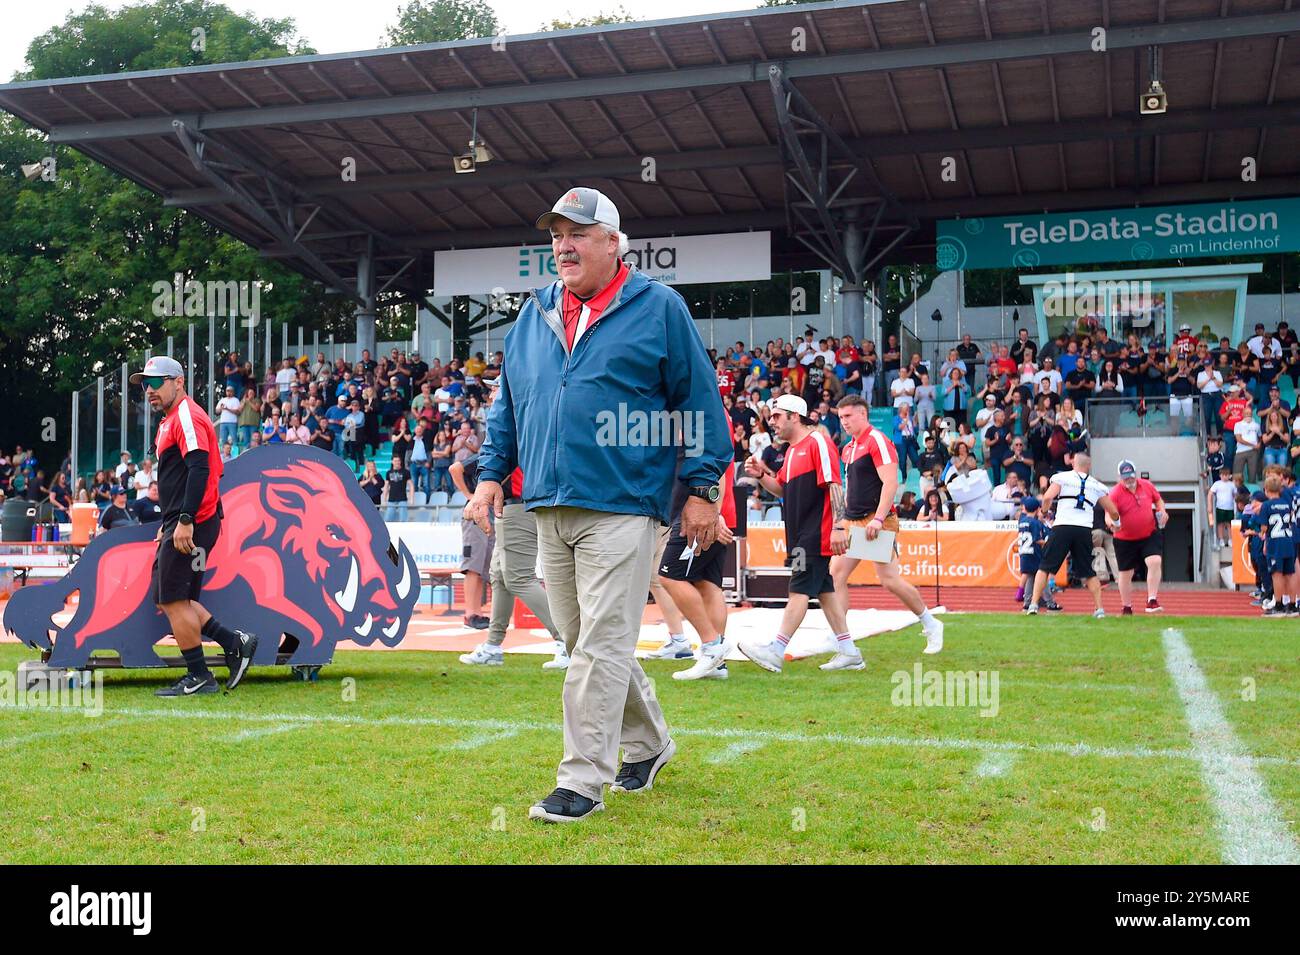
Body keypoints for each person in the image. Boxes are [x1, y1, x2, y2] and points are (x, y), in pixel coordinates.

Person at [469, 186, 731, 824]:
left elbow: (697, 398)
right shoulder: (533, 314)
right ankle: (650, 744)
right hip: (548, 503)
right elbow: (510, 403)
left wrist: (702, 487)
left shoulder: (659, 307)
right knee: (584, 637)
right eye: (557, 234)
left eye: (578, 233)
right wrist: (489, 473)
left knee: (599, 645)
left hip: (623, 502)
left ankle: (582, 780)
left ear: (615, 243)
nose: (563, 245)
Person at [129, 355, 257, 696]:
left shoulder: (186, 414)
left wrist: (184, 521)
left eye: (156, 383)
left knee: (173, 601)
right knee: (171, 599)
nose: (149, 390)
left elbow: (200, 469)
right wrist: (171, 520)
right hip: (186, 521)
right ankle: (235, 642)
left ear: (179, 381)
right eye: (145, 384)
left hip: (193, 522)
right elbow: (186, 474)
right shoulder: (174, 418)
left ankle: (200, 676)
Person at [740, 394, 857, 671]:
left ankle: (776, 649)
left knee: (799, 589)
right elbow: (781, 489)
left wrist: (840, 526)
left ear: (794, 415)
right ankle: (850, 651)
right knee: (824, 589)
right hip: (801, 533)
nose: (772, 422)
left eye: (777, 416)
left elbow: (834, 484)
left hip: (814, 533)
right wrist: (760, 475)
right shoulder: (792, 451)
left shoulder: (817, 441)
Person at [828, 395, 944, 657]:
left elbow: (891, 483)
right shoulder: (849, 448)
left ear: (863, 414)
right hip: (855, 519)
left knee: (889, 580)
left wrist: (879, 519)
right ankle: (842, 640)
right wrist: (843, 519)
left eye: (848, 416)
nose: (843, 422)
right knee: (835, 575)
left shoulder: (876, 440)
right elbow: (850, 489)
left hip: (875, 520)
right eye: (840, 417)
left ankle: (931, 623)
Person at [658, 449, 740, 682]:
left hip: (699, 515)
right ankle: (716, 661)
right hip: (707, 511)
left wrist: (715, 510)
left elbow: (716, 462)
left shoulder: (700, 416)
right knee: (707, 584)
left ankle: (712, 646)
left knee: (668, 577)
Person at [1026, 452, 1121, 618]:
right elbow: (1113, 511)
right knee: (1088, 571)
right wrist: (1117, 524)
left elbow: (1047, 496)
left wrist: (1044, 511)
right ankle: (1099, 609)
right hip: (1084, 529)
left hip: (1062, 526)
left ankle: (1033, 605)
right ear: (1089, 466)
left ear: (1073, 463)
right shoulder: (1096, 485)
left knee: (1045, 566)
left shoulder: (1062, 477)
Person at [1109, 460, 1168, 615]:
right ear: (1120, 477)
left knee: (1154, 561)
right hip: (1124, 538)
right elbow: (1109, 514)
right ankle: (1126, 606)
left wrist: (1163, 511)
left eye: (1131, 476)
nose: (1129, 479)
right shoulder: (1115, 492)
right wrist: (1112, 525)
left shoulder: (1147, 485)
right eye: (1125, 477)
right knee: (1126, 573)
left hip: (1148, 533)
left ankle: (1152, 600)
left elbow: (1158, 500)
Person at [449, 454, 494, 631]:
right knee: (473, 565)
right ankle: (470, 613)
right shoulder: (484, 455)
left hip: (487, 510)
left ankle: (477, 612)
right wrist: (469, 495)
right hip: (475, 511)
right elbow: (454, 468)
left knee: (482, 565)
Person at [1259, 473, 1297, 616]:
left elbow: (1264, 528)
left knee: (1277, 574)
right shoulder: (1287, 504)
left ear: (1267, 490)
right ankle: (1293, 605)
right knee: (1290, 573)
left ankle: (1279, 604)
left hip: (1275, 542)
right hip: (1289, 540)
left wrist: (1263, 538)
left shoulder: (1266, 506)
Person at [1014, 497, 1055, 611]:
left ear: (1025, 508)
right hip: (1034, 552)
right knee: (1042, 575)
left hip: (1024, 553)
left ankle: (1027, 601)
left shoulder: (1022, 521)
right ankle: (1050, 602)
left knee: (1031, 576)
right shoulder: (1035, 523)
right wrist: (1048, 543)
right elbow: (1037, 539)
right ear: (1038, 509)